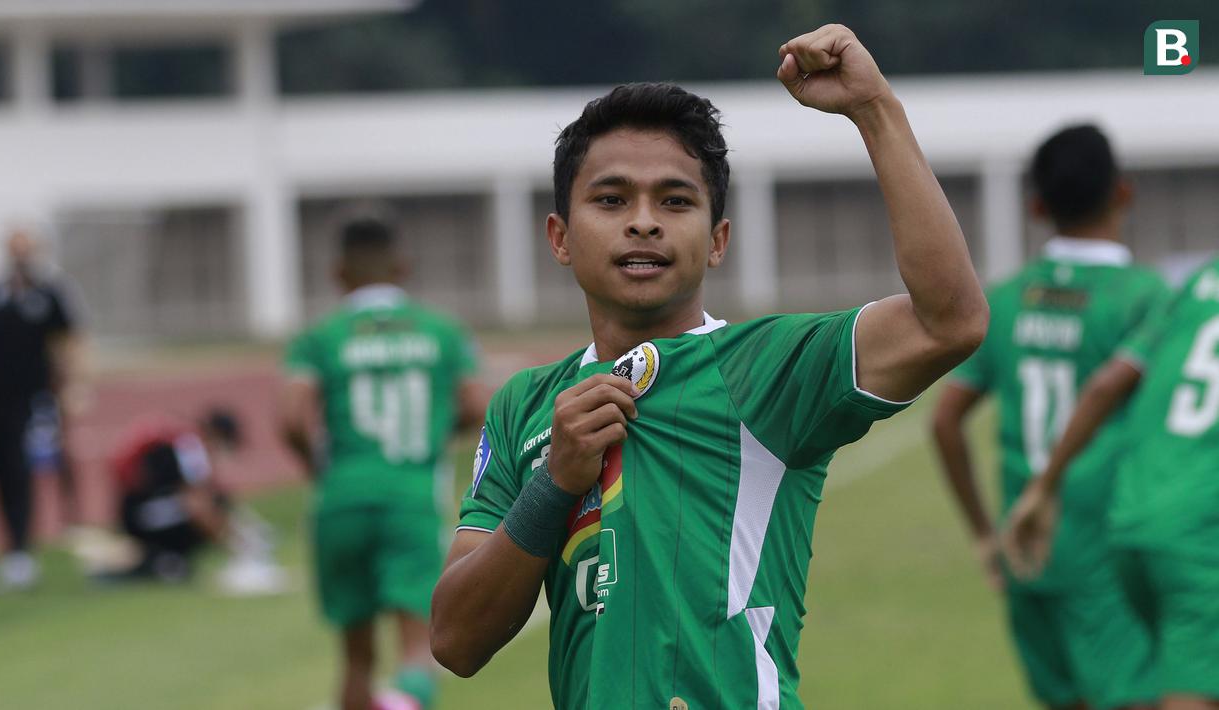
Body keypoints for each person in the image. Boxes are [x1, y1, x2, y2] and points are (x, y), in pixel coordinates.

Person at [431, 25, 988, 709]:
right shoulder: (526, 405)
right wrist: (553, 483)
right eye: (610, 200)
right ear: (560, 238)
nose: (643, 223)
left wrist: (873, 109)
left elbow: (948, 322)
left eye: (675, 201)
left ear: (717, 240)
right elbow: (455, 640)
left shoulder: (764, 368)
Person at [931, 125, 1162, 710]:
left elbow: (944, 422)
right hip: (1108, 544)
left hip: (1024, 546)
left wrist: (985, 536)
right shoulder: (1145, 297)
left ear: (1036, 207)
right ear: (1124, 193)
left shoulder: (1007, 300)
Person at [279, 215, 488, 710]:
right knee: (419, 650)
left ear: (337, 273)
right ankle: (403, 702)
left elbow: (291, 419)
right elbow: (478, 405)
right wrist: (435, 433)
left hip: (341, 498)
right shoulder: (441, 331)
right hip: (409, 496)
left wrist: (318, 466)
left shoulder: (320, 336)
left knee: (355, 659)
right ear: (402, 266)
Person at [1005, 262, 1219, 709]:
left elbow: (1107, 383)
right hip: (1201, 533)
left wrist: (1044, 486)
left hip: (1133, 521)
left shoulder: (1199, 281)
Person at [0, 226, 88, 591]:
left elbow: (70, 339)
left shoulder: (50, 294)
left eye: (25, 250)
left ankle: (70, 526)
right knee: (9, 470)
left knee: (50, 463)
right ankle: (17, 547)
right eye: (14, 250)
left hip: (39, 398)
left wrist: (75, 384)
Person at [105, 408, 242, 582]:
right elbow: (197, 505)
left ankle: (166, 559)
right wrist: (236, 546)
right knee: (213, 506)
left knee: (213, 505)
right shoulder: (190, 446)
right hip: (143, 518)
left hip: (139, 513)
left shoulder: (181, 441)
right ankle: (164, 560)